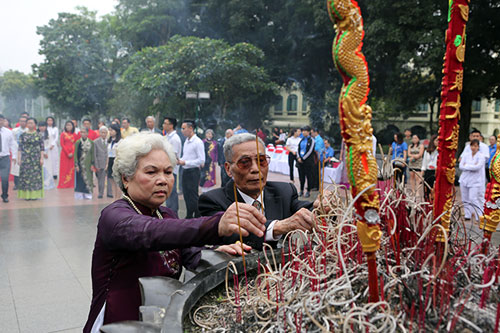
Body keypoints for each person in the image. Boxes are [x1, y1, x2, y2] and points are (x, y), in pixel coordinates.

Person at [83, 132, 266, 332]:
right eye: (152, 172)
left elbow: (191, 253)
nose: (163, 180)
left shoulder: (166, 214)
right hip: (119, 322)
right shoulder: (114, 216)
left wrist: (220, 249)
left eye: (168, 172)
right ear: (126, 178)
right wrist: (215, 224)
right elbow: (149, 232)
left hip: (160, 319)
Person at [199, 133, 318, 251]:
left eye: (261, 160)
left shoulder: (284, 191)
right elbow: (235, 235)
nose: (255, 169)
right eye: (245, 163)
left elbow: (310, 211)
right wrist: (278, 227)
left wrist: (325, 206)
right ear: (228, 169)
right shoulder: (212, 201)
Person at [178, 120, 205, 218]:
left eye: (184, 128)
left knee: (193, 195)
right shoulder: (187, 141)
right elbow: (186, 156)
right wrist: (180, 160)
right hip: (185, 170)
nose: (182, 130)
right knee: (186, 194)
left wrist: (185, 162)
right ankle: (189, 214)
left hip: (193, 171)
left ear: (191, 128)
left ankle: (198, 215)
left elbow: (201, 160)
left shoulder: (197, 142)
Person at [18, 118, 44, 200]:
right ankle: (26, 195)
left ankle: (34, 195)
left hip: (36, 159)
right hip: (25, 158)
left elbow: (42, 148)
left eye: (32, 123)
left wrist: (41, 158)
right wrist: (19, 159)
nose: (30, 124)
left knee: (35, 177)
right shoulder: (23, 135)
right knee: (25, 177)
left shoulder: (39, 135)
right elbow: (19, 148)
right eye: (28, 123)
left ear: (35, 124)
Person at [459, 139, 486, 221]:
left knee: (473, 198)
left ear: (478, 147)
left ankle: (479, 215)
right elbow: (461, 166)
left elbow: (477, 167)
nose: (473, 147)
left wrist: (466, 165)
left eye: (475, 146)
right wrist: (470, 166)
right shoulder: (466, 155)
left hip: (475, 181)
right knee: (465, 198)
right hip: (464, 179)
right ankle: (467, 215)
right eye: (472, 145)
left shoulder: (481, 156)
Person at [162, 117, 182, 214]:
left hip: (171, 169)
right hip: (166, 169)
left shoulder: (174, 138)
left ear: (171, 125)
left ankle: (173, 212)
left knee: (172, 191)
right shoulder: (168, 137)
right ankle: (169, 211)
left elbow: (172, 155)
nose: (163, 125)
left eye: (166, 123)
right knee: (168, 190)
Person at [0, 114, 18, 203]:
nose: (0, 122)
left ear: (4, 121)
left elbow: (12, 144)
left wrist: (14, 156)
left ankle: (4, 195)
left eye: (1, 120)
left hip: (5, 158)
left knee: (4, 179)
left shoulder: (8, 132)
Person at [74, 127, 96, 200]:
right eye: (81, 132)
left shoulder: (91, 142)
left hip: (88, 164)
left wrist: (92, 164)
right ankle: (79, 194)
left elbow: (93, 154)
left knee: (88, 178)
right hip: (80, 164)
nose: (82, 134)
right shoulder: (78, 142)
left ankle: (88, 194)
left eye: (84, 132)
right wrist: (76, 164)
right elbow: (75, 154)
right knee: (79, 179)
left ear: (87, 133)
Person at [58, 121, 79, 189]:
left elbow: (76, 144)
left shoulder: (75, 135)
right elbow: (62, 144)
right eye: (67, 125)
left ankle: (71, 184)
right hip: (64, 154)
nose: (68, 127)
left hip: (72, 154)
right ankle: (63, 184)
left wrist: (72, 153)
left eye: (70, 125)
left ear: (73, 126)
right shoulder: (62, 134)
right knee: (64, 169)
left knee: (71, 169)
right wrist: (67, 152)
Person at [296, 126, 315, 198]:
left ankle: (308, 191)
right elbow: (298, 149)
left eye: (305, 131)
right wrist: (298, 157)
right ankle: (301, 190)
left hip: (308, 162)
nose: (303, 132)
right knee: (301, 177)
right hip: (300, 162)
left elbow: (310, 151)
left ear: (309, 131)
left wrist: (303, 158)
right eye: (303, 131)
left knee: (309, 177)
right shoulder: (301, 140)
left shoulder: (311, 140)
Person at [11, 115, 28, 189]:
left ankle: (25, 184)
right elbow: (12, 141)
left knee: (26, 168)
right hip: (17, 150)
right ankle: (16, 184)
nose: (23, 123)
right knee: (16, 168)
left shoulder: (29, 131)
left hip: (27, 152)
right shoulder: (14, 131)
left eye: (24, 121)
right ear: (19, 122)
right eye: (21, 121)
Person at [38, 122, 55, 190]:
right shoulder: (36, 134)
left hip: (47, 154)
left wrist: (45, 152)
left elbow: (50, 144)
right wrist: (42, 152)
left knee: (47, 168)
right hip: (39, 154)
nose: (42, 128)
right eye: (40, 126)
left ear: (46, 127)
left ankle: (47, 183)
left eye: (43, 126)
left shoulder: (49, 135)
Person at [421, 135, 438, 202]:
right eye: (436, 140)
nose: (438, 142)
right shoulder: (427, 151)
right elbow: (424, 163)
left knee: (434, 191)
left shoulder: (440, 151)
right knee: (426, 190)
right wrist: (422, 173)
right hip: (428, 172)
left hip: (436, 172)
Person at [107, 123, 122, 198]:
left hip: (116, 161)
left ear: (116, 131)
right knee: (111, 180)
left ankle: (118, 198)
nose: (110, 132)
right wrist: (107, 164)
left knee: (117, 181)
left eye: (112, 130)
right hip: (110, 160)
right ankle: (114, 198)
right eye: (110, 130)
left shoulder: (120, 141)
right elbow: (108, 153)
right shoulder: (109, 141)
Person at [94, 126, 108, 199]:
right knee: (100, 180)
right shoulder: (96, 142)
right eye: (102, 132)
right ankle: (100, 193)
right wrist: (96, 165)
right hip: (100, 163)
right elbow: (94, 155)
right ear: (99, 133)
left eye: (105, 132)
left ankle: (110, 193)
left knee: (110, 179)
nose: (103, 134)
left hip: (108, 163)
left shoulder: (109, 141)